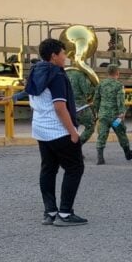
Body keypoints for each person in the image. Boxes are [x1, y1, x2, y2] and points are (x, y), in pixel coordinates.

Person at [25, 38, 86, 226]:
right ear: (54, 56)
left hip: (40, 129)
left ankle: (50, 212)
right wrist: (73, 132)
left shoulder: (35, 71)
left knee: (48, 169)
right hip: (59, 130)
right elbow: (60, 106)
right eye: (63, 53)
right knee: (75, 168)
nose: (65, 57)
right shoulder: (57, 75)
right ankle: (65, 214)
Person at [93, 64, 132, 165]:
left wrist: (97, 112)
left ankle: (100, 158)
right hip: (115, 117)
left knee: (102, 135)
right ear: (117, 73)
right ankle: (128, 154)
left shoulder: (101, 84)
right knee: (121, 134)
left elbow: (96, 100)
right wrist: (122, 112)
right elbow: (120, 101)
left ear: (108, 73)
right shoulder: (119, 85)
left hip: (103, 116)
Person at [67, 65, 98, 145]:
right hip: (81, 107)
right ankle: (77, 147)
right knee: (90, 126)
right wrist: (94, 89)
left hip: (66, 107)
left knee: (70, 128)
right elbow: (87, 91)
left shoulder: (64, 73)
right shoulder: (80, 74)